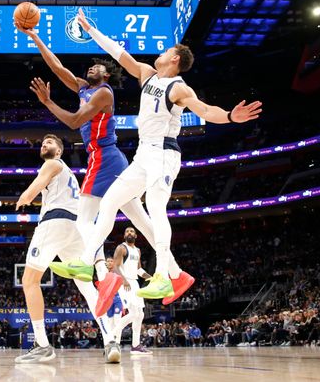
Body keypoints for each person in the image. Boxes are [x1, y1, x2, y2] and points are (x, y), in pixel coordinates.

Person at [48, 8, 261, 307]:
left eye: (166, 50)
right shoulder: (147, 74)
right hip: (143, 154)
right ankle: (86, 261)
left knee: (157, 208)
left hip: (164, 153)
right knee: (109, 202)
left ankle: (163, 275)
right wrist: (89, 29)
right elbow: (119, 53)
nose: (160, 51)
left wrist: (228, 116)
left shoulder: (178, 87)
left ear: (175, 59)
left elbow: (204, 110)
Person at [19, 22, 195, 311]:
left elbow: (75, 121)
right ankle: (176, 274)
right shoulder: (84, 88)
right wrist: (36, 37)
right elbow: (57, 67)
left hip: (105, 157)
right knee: (140, 220)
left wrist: (49, 102)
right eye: (88, 69)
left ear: (107, 74)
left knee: (85, 219)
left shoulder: (104, 93)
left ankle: (101, 273)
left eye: (96, 69)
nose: (91, 70)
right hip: (108, 159)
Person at [13, 135, 120, 364]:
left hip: (55, 222)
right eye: (42, 142)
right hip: (76, 228)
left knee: (29, 280)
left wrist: (25, 197)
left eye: (50, 143)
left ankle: (42, 345)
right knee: (86, 287)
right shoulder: (68, 172)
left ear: (59, 152)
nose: (44, 144)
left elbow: (35, 188)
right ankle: (110, 339)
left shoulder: (51, 164)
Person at [108, 227, 153, 355]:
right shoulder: (121, 248)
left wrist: (151, 277)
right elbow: (115, 266)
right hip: (125, 282)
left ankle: (136, 345)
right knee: (134, 314)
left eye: (132, 231)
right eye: (127, 231)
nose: (129, 233)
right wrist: (123, 280)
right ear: (124, 235)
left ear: (136, 235)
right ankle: (111, 337)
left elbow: (139, 270)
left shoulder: (137, 250)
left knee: (140, 314)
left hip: (134, 282)